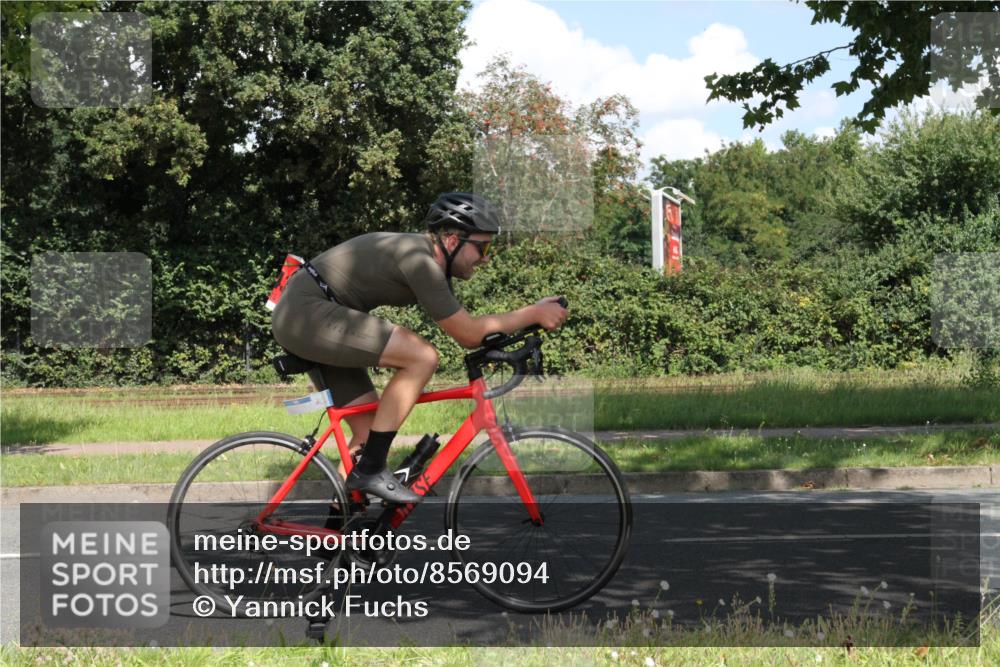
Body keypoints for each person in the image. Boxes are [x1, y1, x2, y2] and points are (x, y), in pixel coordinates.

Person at [271, 193, 568, 504]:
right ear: (452, 241)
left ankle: (339, 529)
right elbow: (468, 334)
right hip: (305, 313)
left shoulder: (432, 263)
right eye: (483, 248)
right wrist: (532, 314)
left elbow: (471, 327)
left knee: (368, 432)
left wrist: (529, 317)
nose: (486, 258)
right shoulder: (420, 261)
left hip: (312, 314)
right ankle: (371, 470)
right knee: (422, 357)